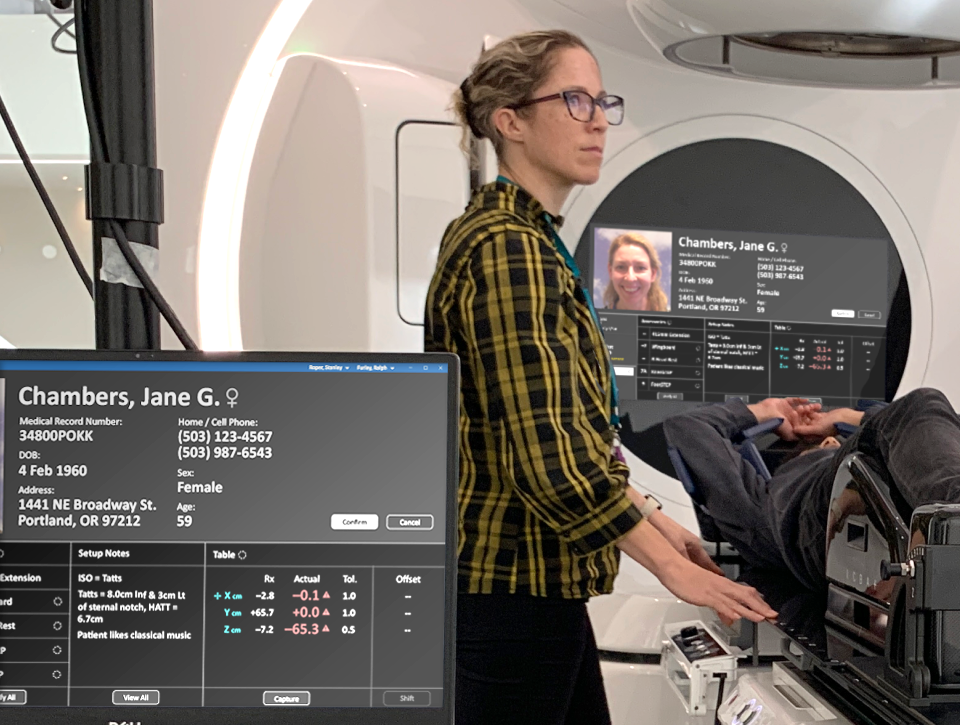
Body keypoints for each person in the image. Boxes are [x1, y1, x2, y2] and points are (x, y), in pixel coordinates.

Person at [423, 29, 775, 725]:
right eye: (574, 100)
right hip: (511, 596)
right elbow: (551, 461)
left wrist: (657, 521)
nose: (597, 121)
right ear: (510, 121)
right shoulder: (508, 249)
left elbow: (574, 434)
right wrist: (668, 567)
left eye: (602, 102)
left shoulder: (527, 239)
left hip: (531, 589)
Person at [661, 388, 960, 591]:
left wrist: (845, 417)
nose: (831, 442)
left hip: (914, 513)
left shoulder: (902, 466)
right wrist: (765, 410)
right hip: (817, 525)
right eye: (818, 447)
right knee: (926, 400)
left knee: (928, 422)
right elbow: (687, 427)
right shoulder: (765, 507)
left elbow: (928, 428)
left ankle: (953, 522)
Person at [602, 232, 668, 311]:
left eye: (641, 268)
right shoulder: (596, 318)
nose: (630, 278)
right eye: (621, 267)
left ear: (653, 274)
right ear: (610, 271)